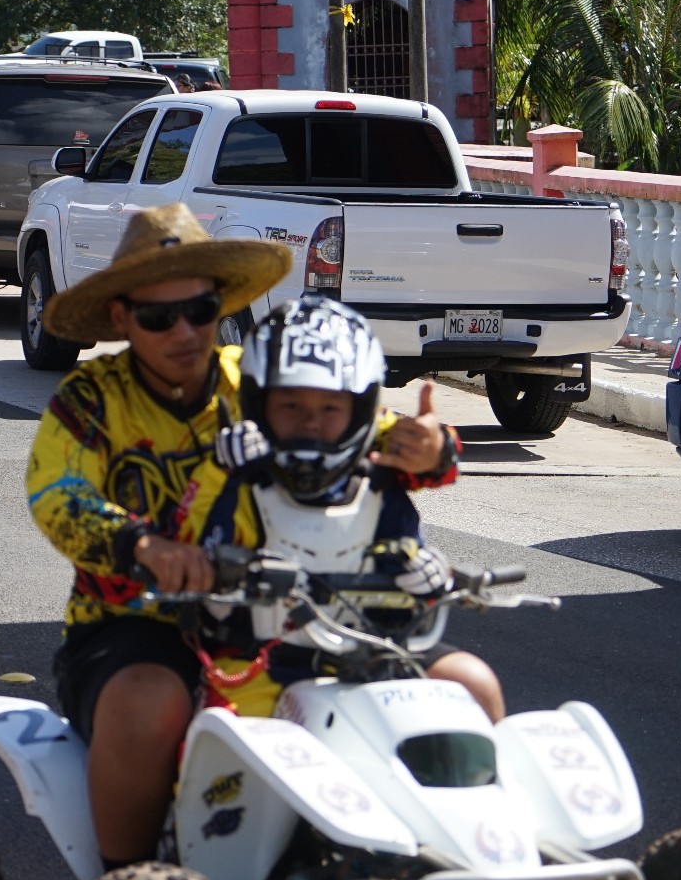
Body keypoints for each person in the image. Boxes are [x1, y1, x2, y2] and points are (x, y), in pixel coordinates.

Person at [25, 205, 459, 868]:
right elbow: (58, 493)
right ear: (120, 318)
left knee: (457, 692)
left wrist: (431, 449)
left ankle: (447, 871)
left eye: (199, 309)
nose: (184, 332)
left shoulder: (261, 380)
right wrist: (143, 547)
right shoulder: (91, 399)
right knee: (149, 703)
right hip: (135, 621)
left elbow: (362, 436)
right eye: (157, 317)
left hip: (295, 612)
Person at [182, 294, 505, 723]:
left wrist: (426, 575)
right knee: (225, 737)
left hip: (375, 654)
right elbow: (192, 555)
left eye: (330, 407)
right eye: (291, 405)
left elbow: (404, 556)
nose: (311, 420)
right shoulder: (234, 479)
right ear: (258, 404)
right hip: (261, 663)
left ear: (360, 410)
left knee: (474, 683)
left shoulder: (379, 482)